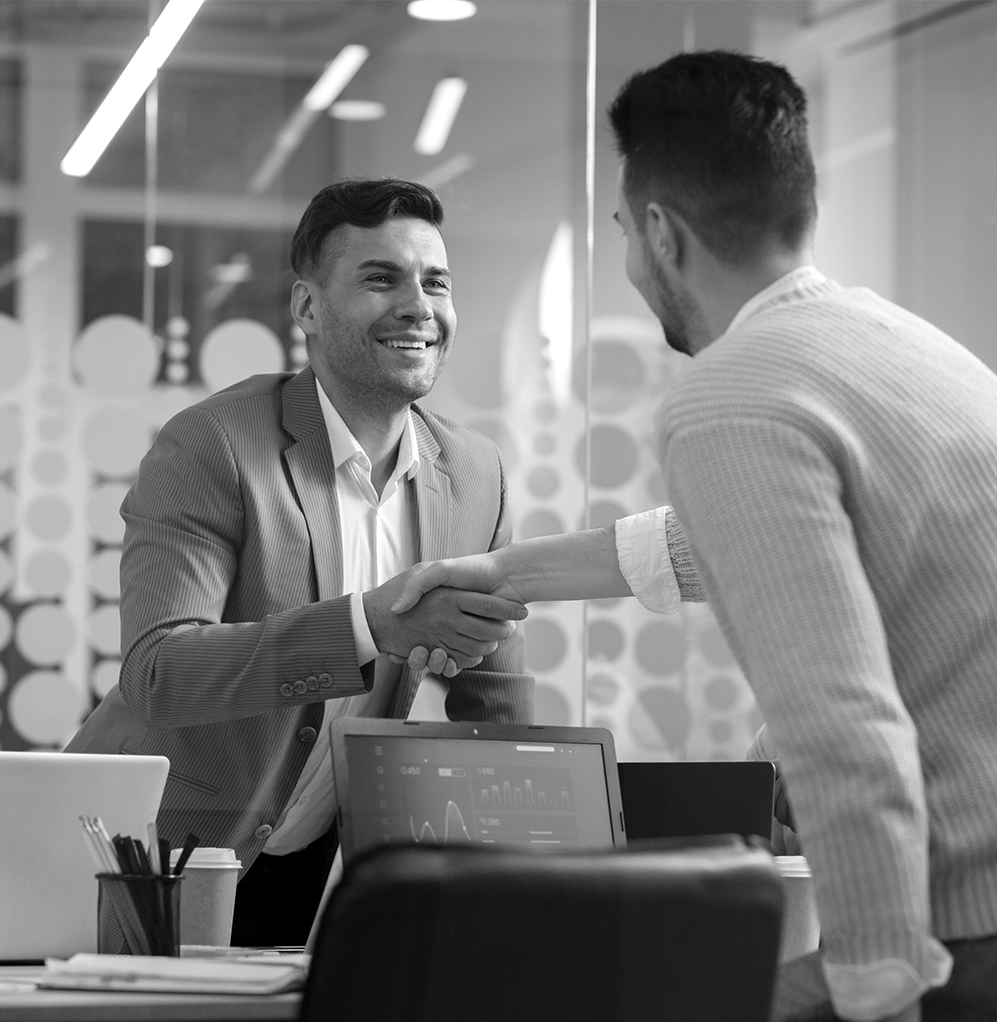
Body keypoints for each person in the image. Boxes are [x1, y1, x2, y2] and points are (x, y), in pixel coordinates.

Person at [393, 52, 997, 1022]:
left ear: (662, 233)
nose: (630, 264)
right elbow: (748, 541)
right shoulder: (893, 347)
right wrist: (507, 573)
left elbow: (840, 721)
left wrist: (872, 979)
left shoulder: (734, 392)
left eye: (624, 232)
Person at [65, 178, 699, 947]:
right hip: (153, 855)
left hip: (305, 861)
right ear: (307, 307)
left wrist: (539, 885)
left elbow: (495, 697)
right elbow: (161, 671)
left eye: (436, 282)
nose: (418, 306)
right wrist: (370, 625)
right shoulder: (215, 444)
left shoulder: (473, 472)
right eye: (381, 278)